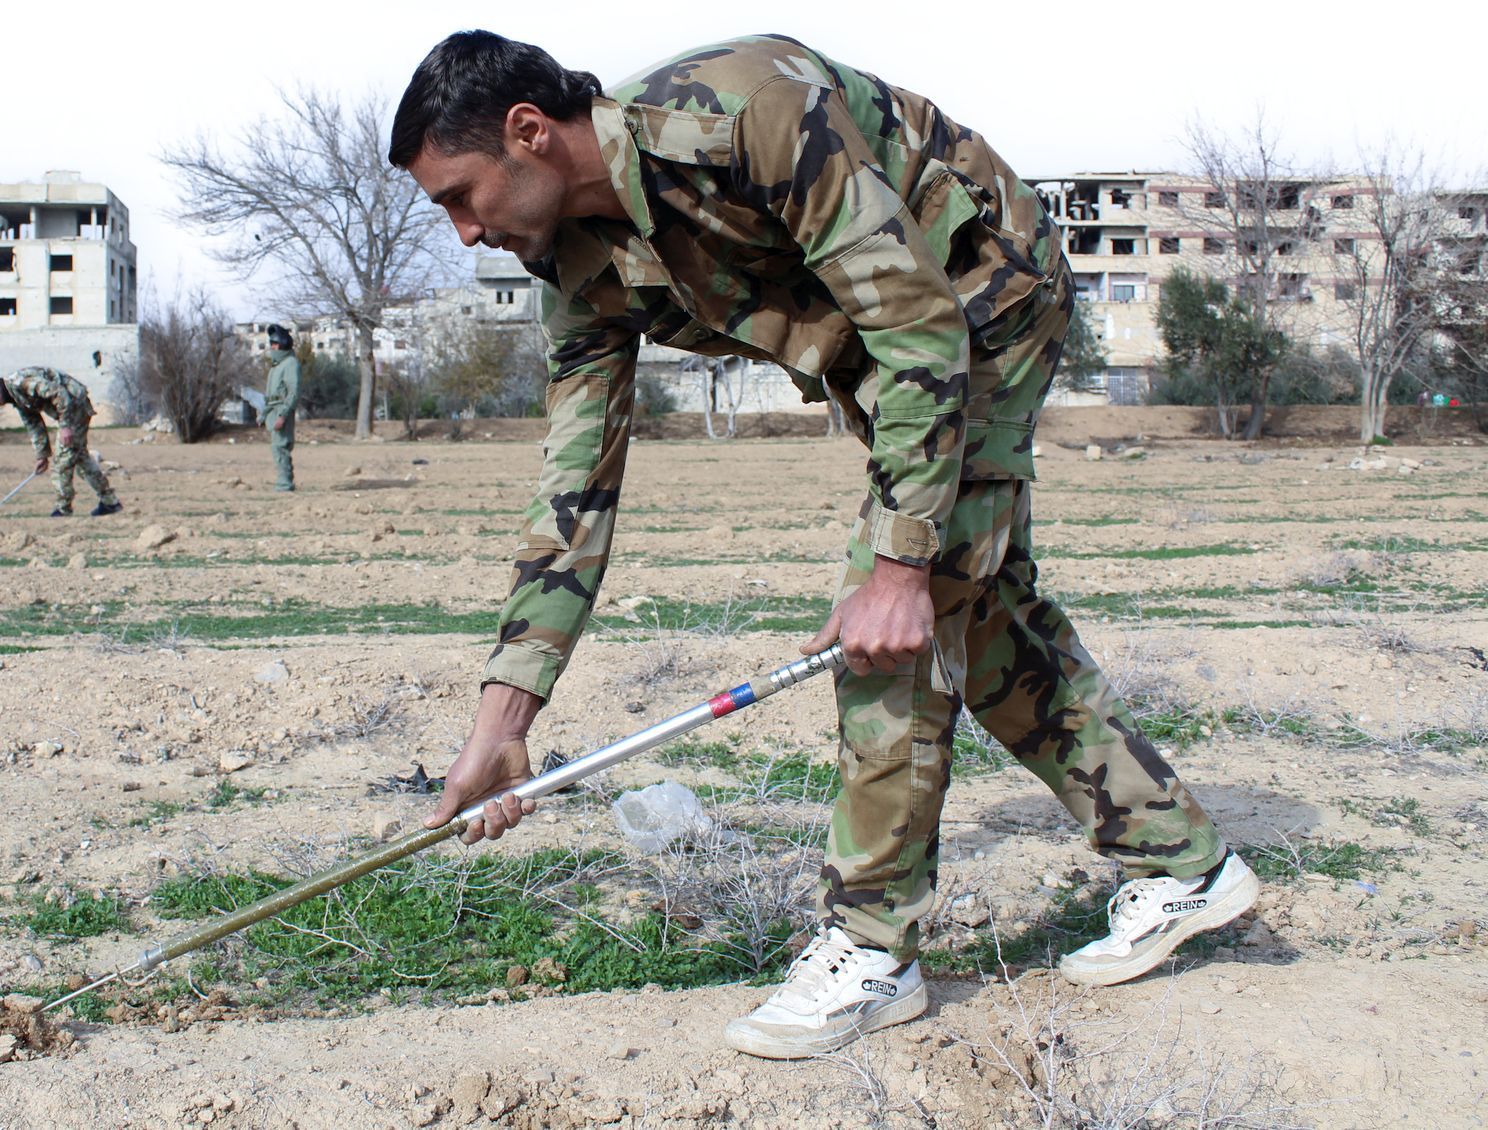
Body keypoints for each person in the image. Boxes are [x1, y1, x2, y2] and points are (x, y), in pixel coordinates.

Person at [389, 31, 1259, 1059]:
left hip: (984, 302)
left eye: (460, 194)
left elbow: (921, 322)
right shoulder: (574, 270)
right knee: (975, 615)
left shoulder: (743, 113)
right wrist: (505, 716)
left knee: (896, 620)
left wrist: (898, 567)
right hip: (894, 365)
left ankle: (873, 944)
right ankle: (1183, 862)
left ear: (528, 132)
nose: (459, 231)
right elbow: (575, 490)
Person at [0, 367, 122, 517]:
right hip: (70, 411)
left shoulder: (22, 383)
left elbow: (59, 393)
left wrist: (65, 426)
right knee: (81, 459)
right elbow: (33, 423)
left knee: (61, 461)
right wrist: (42, 455)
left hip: (74, 407)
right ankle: (110, 502)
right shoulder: (15, 396)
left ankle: (63, 509)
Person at [262, 324, 302, 492]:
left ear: (283, 344)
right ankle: (284, 481)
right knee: (277, 446)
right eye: (271, 343)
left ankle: (284, 483)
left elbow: (293, 393)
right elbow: (270, 396)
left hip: (281, 411)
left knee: (281, 446)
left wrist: (283, 415)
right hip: (273, 410)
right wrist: (263, 414)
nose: (272, 347)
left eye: (275, 343)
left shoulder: (291, 364)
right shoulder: (276, 366)